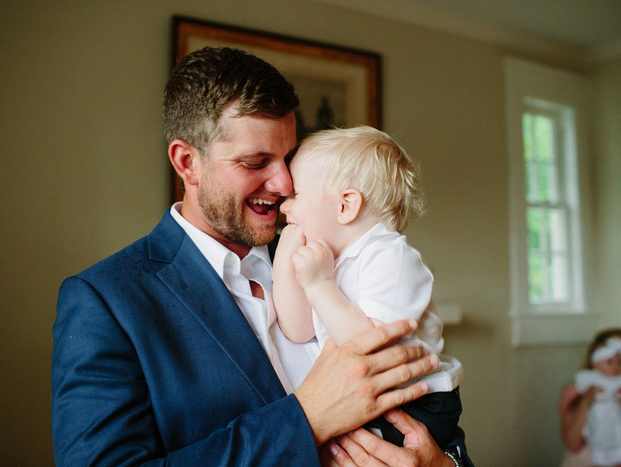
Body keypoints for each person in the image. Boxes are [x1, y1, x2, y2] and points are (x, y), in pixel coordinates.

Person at [51, 46, 471, 466]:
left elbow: (439, 426)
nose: (285, 182)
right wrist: (307, 418)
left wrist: (444, 466)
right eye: (256, 162)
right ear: (187, 163)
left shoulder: (330, 252)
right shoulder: (105, 302)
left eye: (288, 158)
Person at [273, 126, 464, 450]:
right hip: (370, 394)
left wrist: (319, 284)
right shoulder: (329, 259)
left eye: (296, 196)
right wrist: (285, 262)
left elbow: (372, 353)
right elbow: (298, 330)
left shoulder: (391, 257)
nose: (284, 207)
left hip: (418, 403)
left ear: (346, 206)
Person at [559, 328, 621, 467]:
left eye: (620, 358)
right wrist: (586, 403)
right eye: (610, 359)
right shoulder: (582, 387)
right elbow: (573, 445)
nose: (615, 364)